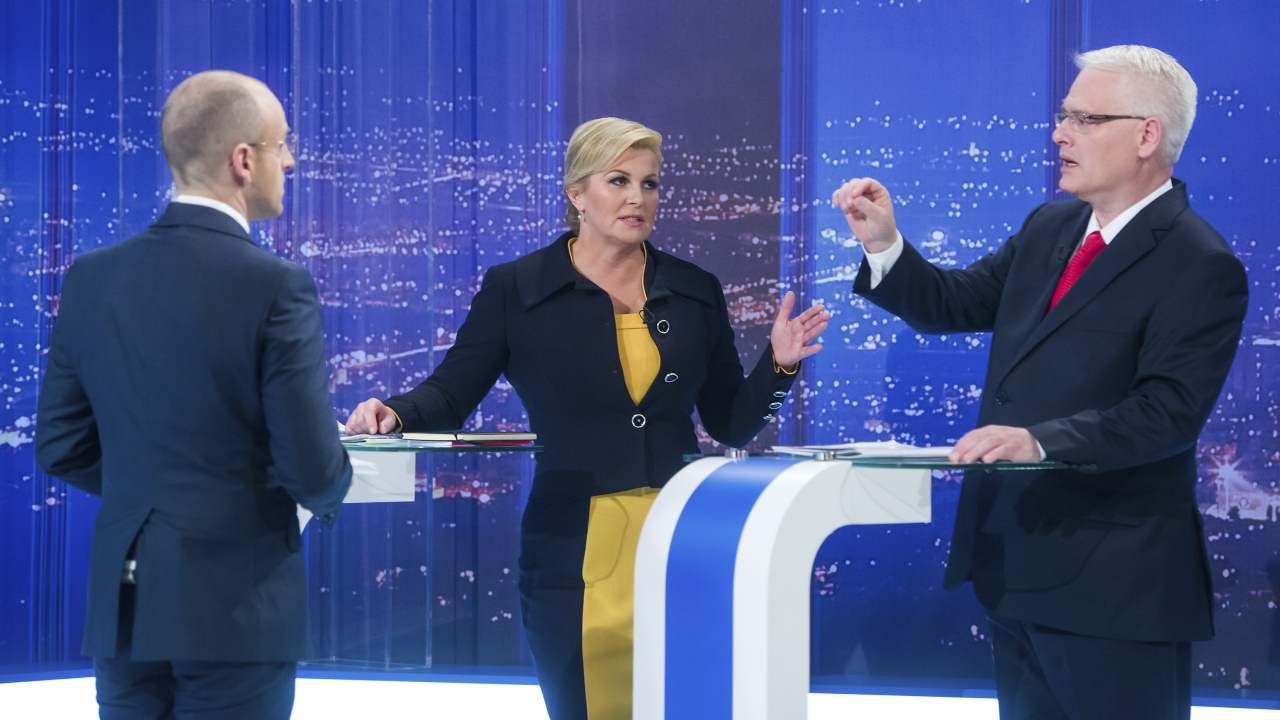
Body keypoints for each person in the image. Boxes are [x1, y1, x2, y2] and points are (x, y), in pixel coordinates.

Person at [346, 116, 830, 719]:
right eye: (618, 180)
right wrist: (393, 412)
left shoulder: (694, 289)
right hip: (571, 550)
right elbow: (450, 392)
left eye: (650, 183)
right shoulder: (519, 289)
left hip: (682, 542)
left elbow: (731, 423)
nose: (638, 198)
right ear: (577, 193)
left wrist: (779, 366)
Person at [833, 45, 1247, 719]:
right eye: (1063, 116)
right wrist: (884, 244)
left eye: (1085, 119)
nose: (1060, 134)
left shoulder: (1198, 262)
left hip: (1116, 590)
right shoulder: (1049, 226)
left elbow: (1167, 413)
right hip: (1016, 569)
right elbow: (953, 303)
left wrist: (1040, 441)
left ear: (1147, 135)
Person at [35, 70, 352, 719]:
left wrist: (150, 490)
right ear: (244, 160)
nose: (291, 162)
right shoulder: (276, 286)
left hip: (124, 609)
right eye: (282, 144)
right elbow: (313, 470)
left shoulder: (91, 278)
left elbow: (61, 445)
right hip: (235, 609)